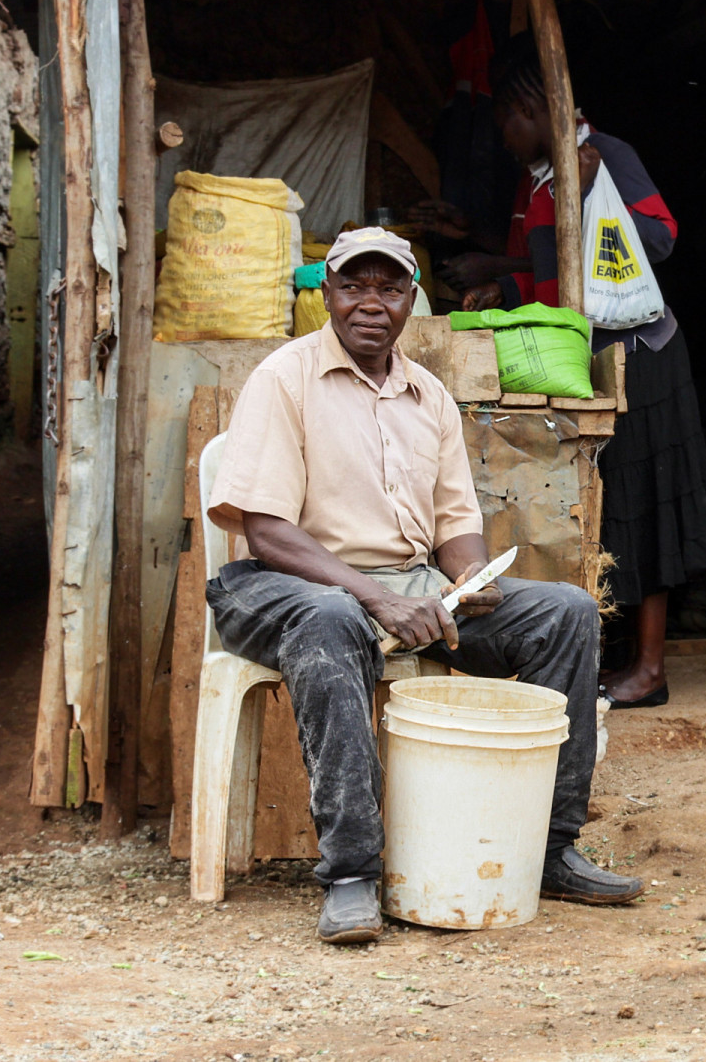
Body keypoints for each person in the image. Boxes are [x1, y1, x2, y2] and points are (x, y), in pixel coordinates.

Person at [205, 226, 645, 945]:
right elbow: (269, 533)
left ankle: (549, 848)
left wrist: (470, 574)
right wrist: (374, 596)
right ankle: (351, 874)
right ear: (328, 296)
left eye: (388, 288)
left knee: (565, 611)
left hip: (411, 588)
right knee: (329, 617)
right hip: (289, 581)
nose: (369, 304)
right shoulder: (283, 378)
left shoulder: (429, 395)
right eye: (353, 286)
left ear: (411, 298)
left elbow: (454, 523)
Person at [458, 36, 706, 710]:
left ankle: (651, 667)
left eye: (508, 122)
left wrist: (595, 181)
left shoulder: (608, 156)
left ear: (535, 105)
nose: (507, 138)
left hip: (642, 359)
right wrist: (504, 287)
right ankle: (612, 659)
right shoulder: (539, 180)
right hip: (588, 359)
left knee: (645, 510)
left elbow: (659, 239)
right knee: (607, 515)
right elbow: (550, 280)